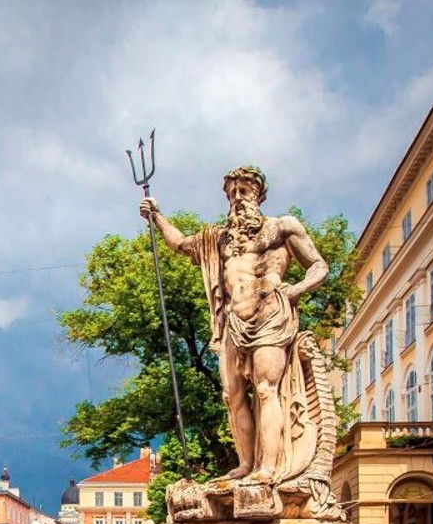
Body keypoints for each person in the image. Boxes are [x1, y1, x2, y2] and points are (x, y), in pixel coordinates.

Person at [141, 166, 329, 485]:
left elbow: (319, 266)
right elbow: (181, 244)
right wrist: (156, 216)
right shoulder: (220, 239)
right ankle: (246, 465)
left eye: (244, 191)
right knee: (232, 394)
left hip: (270, 316)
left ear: (259, 194)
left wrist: (293, 291)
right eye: (232, 193)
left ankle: (267, 470)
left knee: (266, 388)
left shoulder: (282, 227)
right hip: (233, 324)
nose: (238, 199)